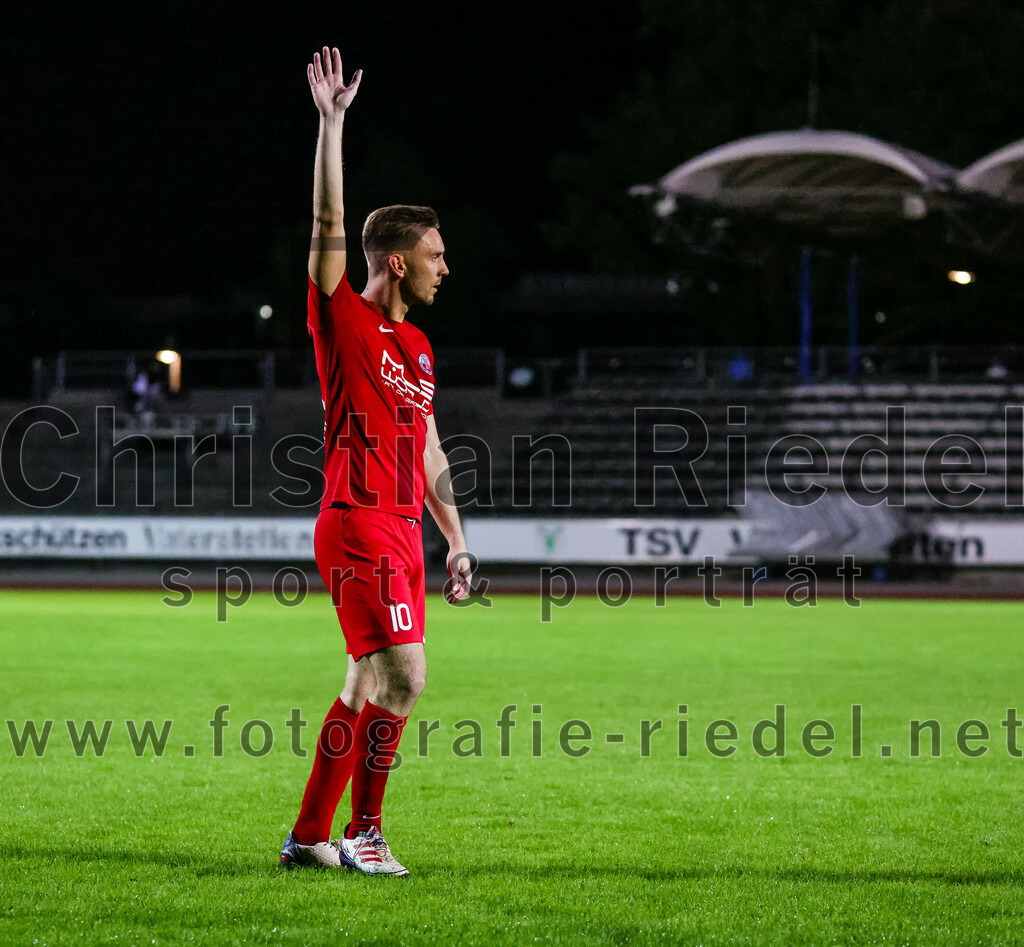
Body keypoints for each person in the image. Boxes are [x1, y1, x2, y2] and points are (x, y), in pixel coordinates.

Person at [279, 46, 472, 876]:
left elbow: (427, 444)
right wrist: (332, 126)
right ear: (397, 259)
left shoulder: (419, 346)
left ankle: (309, 836)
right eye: (434, 255)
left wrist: (456, 538)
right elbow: (329, 226)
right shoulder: (343, 317)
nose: (444, 266)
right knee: (407, 674)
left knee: (366, 685)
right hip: (355, 521)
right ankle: (365, 830)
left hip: (402, 531)